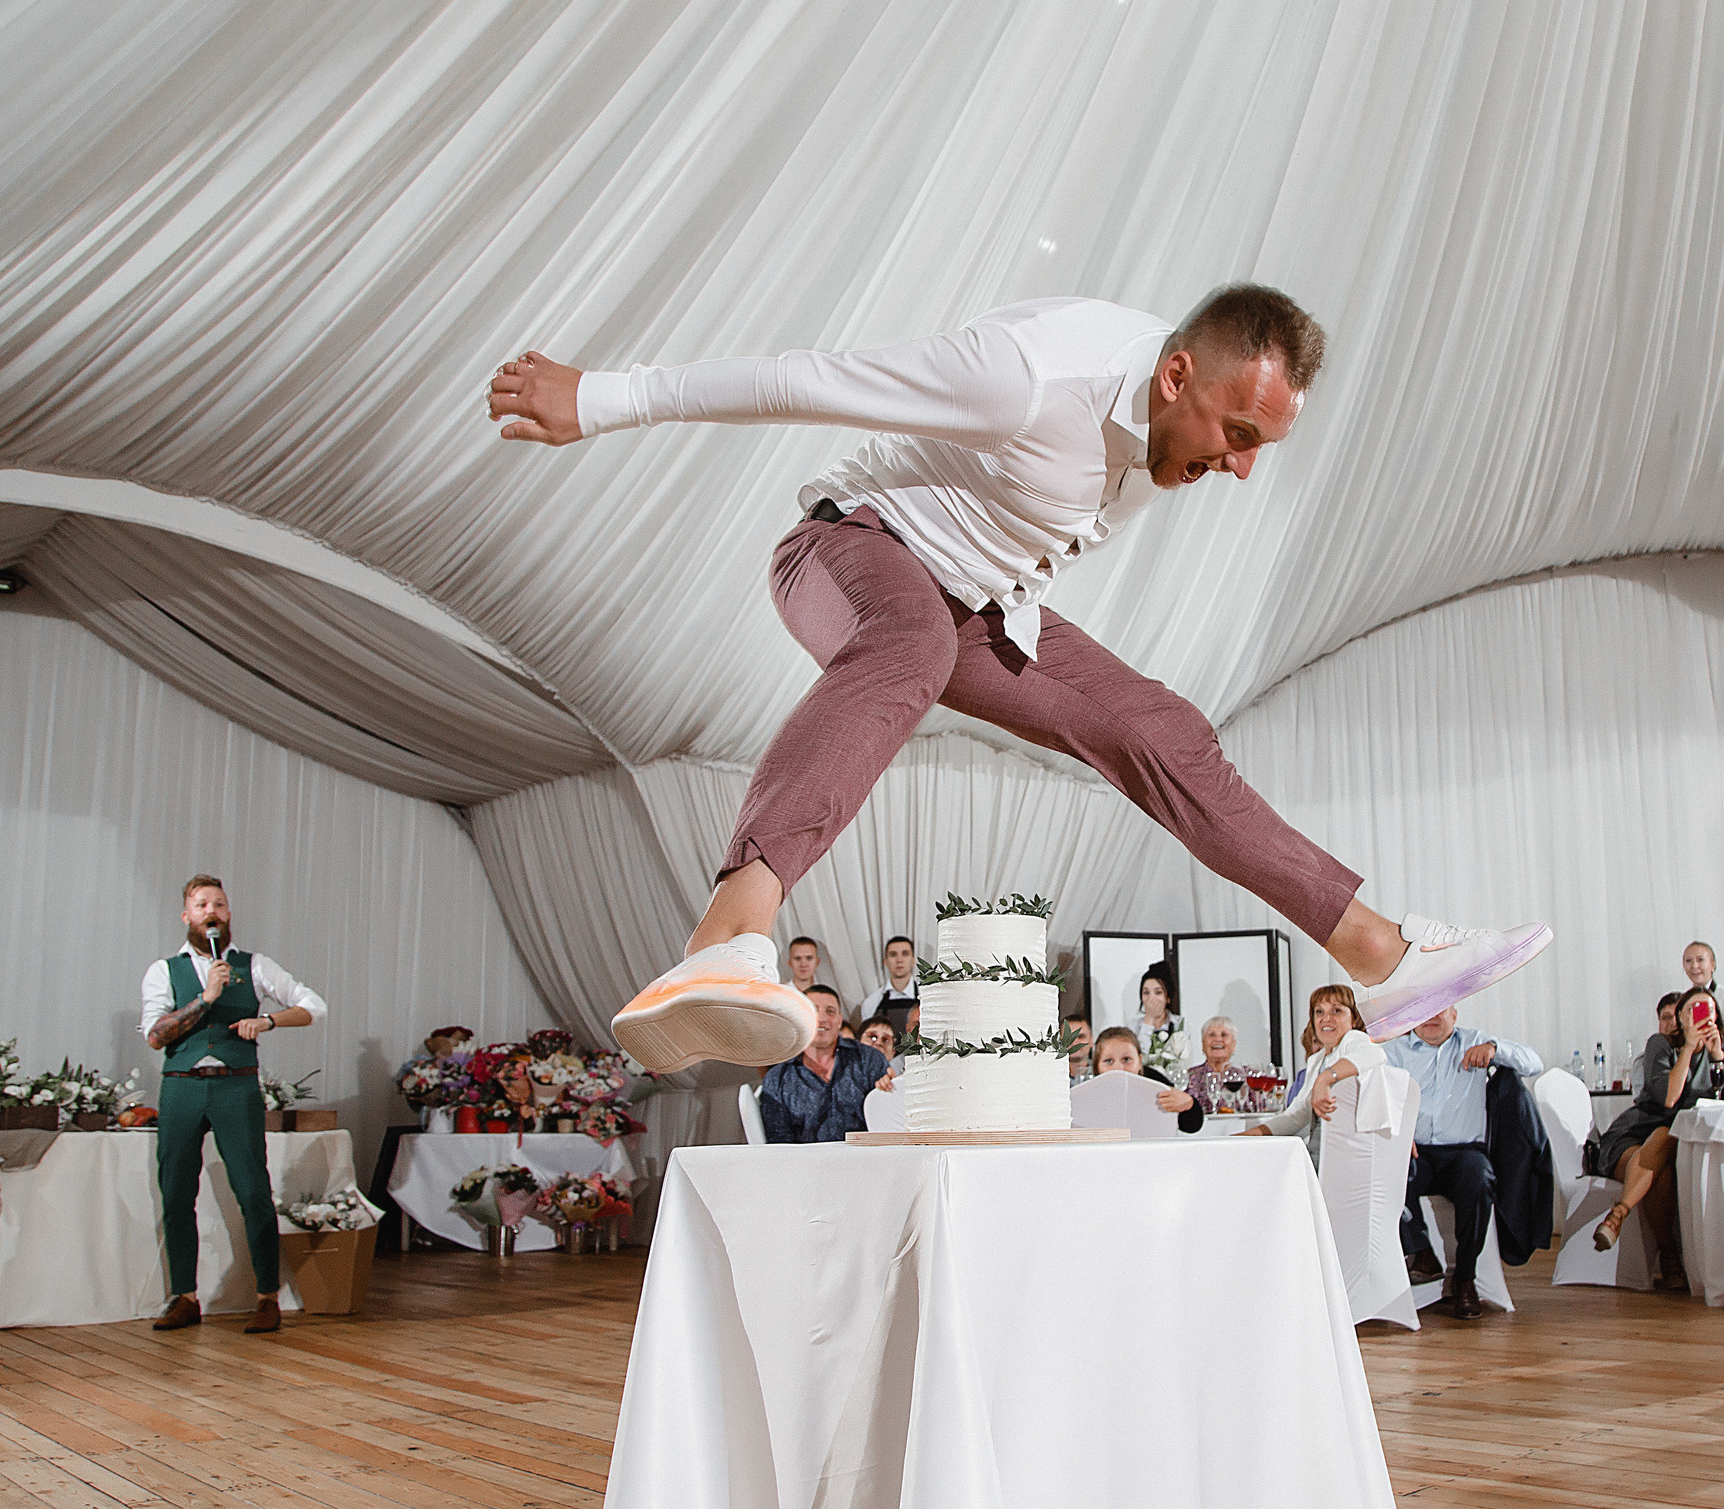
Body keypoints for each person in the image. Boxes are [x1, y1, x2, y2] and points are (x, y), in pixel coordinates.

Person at [491, 290, 1550, 1075]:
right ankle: (724, 937)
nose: (1240, 468)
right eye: (1237, 435)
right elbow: (802, 378)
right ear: (1176, 377)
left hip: (982, 610)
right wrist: (604, 397)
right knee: (907, 646)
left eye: (1260, 446)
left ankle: (1378, 953)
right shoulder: (1030, 374)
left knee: (1162, 729)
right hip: (849, 549)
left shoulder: (1174, 426)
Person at [140, 875, 326, 1334]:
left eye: (219, 905)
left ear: (228, 915)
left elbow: (313, 1005)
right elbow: (155, 1035)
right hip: (182, 1086)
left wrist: (269, 1021)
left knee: (253, 1190)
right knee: (176, 1193)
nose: (212, 912)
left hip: (235, 1087)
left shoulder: (254, 965)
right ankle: (184, 1297)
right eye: (202, 904)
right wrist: (206, 998)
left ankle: (267, 1297)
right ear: (187, 916)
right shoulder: (164, 970)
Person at [1386, 1006, 1543, 1317]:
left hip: (1464, 1152)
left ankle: (1465, 1277)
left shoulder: (1474, 1040)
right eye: (1424, 1010)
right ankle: (1422, 1253)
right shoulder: (1393, 1052)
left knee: (1480, 1180)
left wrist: (1494, 1049)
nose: (1430, 1016)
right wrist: (1397, 1132)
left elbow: (1533, 1062)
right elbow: (1378, 1095)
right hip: (1414, 1150)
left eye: (1439, 1009)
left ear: (1454, 1014)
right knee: (1391, 1171)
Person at [1592, 989, 1724, 1283]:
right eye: (1691, 1011)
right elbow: (1668, 1098)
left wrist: (1718, 1056)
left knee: (1665, 1146)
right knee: (1662, 1145)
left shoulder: (1721, 1048)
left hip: (1679, 1141)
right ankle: (1664, 1252)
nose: (1700, 1017)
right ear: (1681, 1018)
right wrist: (1688, 1048)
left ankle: (1620, 1219)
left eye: (1707, 1010)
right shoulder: (1661, 1045)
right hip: (1637, 1134)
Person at [1250, 985, 1383, 1142]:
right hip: (1319, 1148)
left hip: (1347, 1147)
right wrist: (1246, 1136)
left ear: (1354, 1019)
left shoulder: (1353, 1039)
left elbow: (1375, 1054)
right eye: (1319, 1011)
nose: (1326, 1018)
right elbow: (1295, 1116)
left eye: (1336, 1011)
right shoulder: (1317, 1060)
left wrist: (1325, 1078)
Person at [758, 986, 887, 1143]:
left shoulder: (869, 1060)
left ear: (839, 1021)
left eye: (830, 1011)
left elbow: (886, 1120)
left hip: (864, 1156)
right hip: (804, 1158)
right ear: (799, 1017)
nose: (822, 1018)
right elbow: (778, 1142)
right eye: (813, 1010)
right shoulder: (778, 1078)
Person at [1089, 1027, 1195, 1120]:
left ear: (1139, 1061)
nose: (1119, 1068)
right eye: (1108, 1061)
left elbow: (1192, 1124)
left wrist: (1187, 1103)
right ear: (1097, 1067)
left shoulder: (1154, 1081)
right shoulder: (1089, 1092)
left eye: (1126, 1059)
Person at [1135, 965, 1186, 1081]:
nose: (1151, 999)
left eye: (1158, 992)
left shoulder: (1179, 1024)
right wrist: (1149, 1020)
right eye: (1146, 993)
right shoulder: (1133, 1026)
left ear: (1168, 998)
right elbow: (1140, 1058)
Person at [860, 935, 919, 1024]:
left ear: (913, 960)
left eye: (905, 954)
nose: (899, 960)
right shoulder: (871, 1003)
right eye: (893, 955)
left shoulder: (926, 997)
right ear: (885, 961)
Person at [1066, 1016, 1096, 1086]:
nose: (1074, 1043)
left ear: (1091, 1040)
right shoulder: (1050, 1075)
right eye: (1068, 1038)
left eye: (1081, 1037)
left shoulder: (1101, 1073)